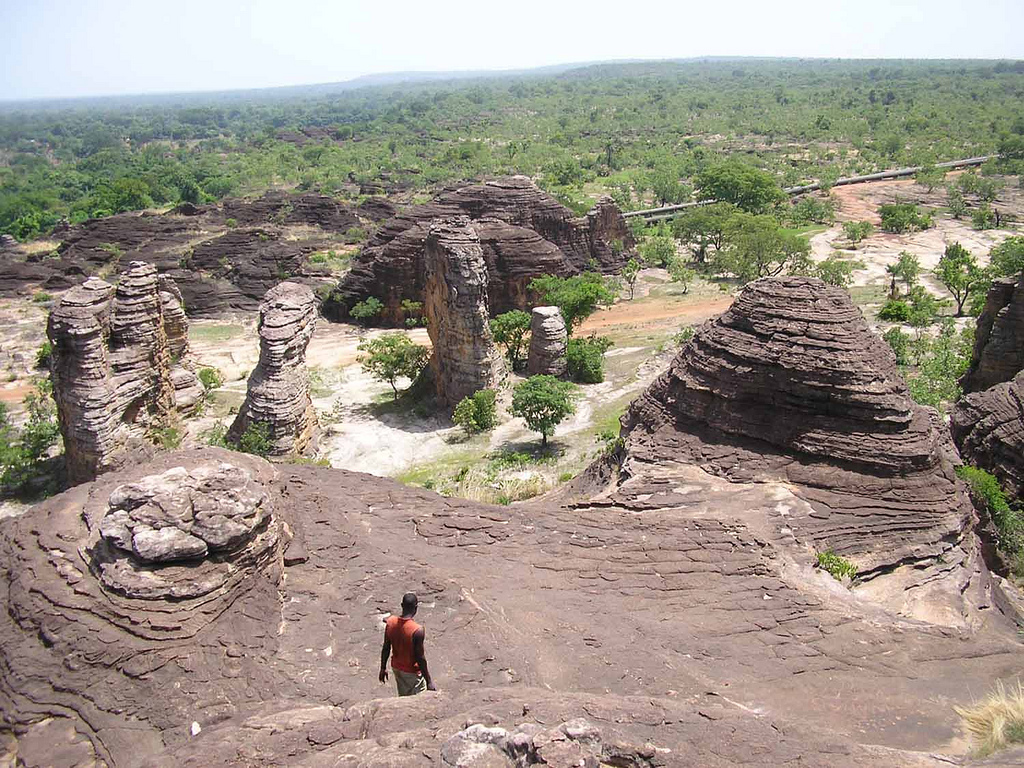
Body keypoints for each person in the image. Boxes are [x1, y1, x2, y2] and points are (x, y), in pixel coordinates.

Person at [378, 592, 436, 696]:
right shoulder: (417, 630)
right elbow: (420, 658)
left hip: (397, 668)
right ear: (416, 607)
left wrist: (383, 668)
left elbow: (386, 647)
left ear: (401, 605)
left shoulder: (391, 622)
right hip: (412, 672)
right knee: (418, 699)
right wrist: (429, 681)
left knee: (404, 695)